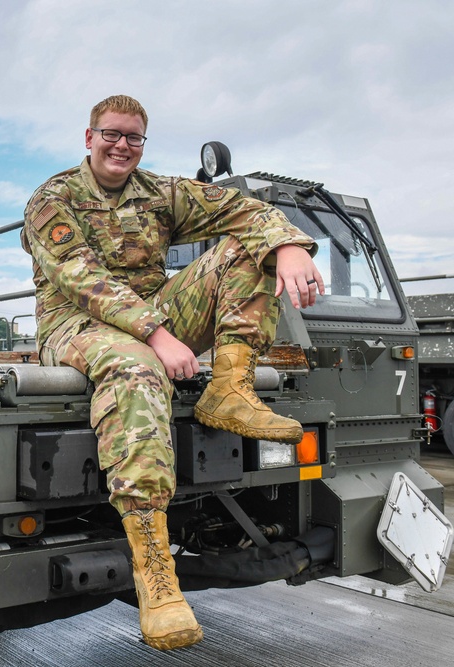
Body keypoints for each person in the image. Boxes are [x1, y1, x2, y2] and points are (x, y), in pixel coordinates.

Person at [20, 95, 323, 651]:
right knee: (137, 369)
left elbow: (243, 210)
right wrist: (158, 337)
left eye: (134, 138)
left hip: (157, 310)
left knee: (247, 249)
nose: (122, 146)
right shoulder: (52, 200)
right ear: (89, 138)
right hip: (77, 322)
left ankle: (228, 389)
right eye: (111, 134)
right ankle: (156, 570)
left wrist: (288, 246)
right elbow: (82, 280)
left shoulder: (160, 193)